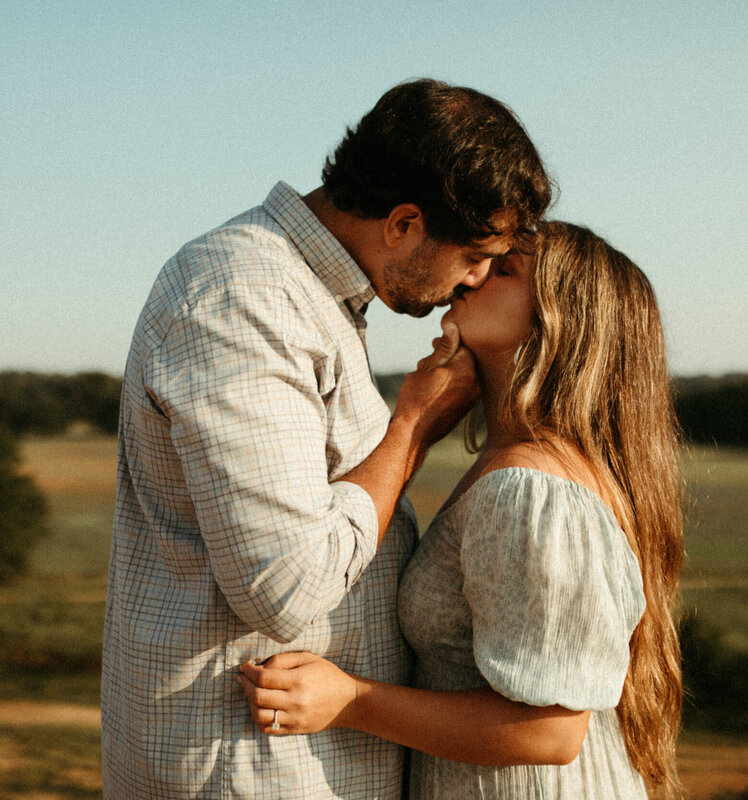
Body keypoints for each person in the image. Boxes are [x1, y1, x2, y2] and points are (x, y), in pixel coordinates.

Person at [101, 78, 552, 800]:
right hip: (247, 768)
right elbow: (288, 584)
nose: (473, 280)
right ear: (403, 223)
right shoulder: (245, 297)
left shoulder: (311, 300)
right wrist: (410, 429)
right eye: (474, 254)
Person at [239, 221, 685, 799]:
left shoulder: (532, 486)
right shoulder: (520, 465)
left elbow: (550, 732)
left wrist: (349, 700)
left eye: (505, 269)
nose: (472, 276)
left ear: (558, 320)